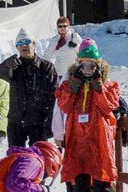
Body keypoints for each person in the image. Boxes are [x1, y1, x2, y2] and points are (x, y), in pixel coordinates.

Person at [56, 39, 121, 192]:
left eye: (91, 63)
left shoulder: (109, 85)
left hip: (99, 144)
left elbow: (109, 106)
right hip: (78, 145)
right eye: (83, 63)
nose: (87, 68)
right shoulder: (69, 84)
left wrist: (97, 84)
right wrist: (74, 85)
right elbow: (64, 105)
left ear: (98, 64)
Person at [0, 28, 58, 147]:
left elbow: (54, 94)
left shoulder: (46, 66)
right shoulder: (13, 66)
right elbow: (0, 75)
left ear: (34, 44)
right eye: (20, 43)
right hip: (16, 120)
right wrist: (6, 65)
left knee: (38, 158)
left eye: (27, 42)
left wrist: (50, 119)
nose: (23, 46)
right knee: (15, 158)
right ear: (17, 48)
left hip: (39, 121)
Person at [45, 16, 82, 144]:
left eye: (64, 26)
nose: (62, 29)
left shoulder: (75, 38)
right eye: (60, 26)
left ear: (69, 26)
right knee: (61, 100)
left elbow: (82, 52)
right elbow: (47, 56)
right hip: (60, 74)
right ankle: (60, 127)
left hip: (73, 74)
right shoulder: (55, 40)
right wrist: (44, 68)